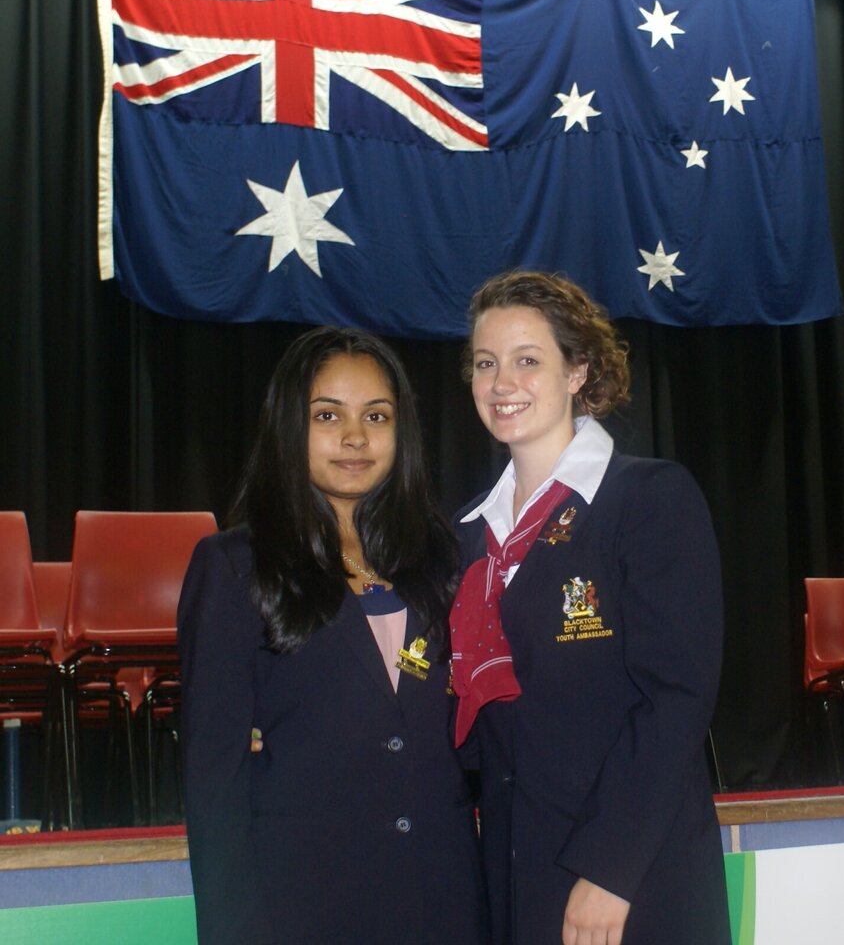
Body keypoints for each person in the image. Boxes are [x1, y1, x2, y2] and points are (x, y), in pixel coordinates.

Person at [178, 327, 489, 945]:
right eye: (328, 415)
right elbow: (215, 781)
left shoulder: (445, 559)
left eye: (377, 415)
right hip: (305, 906)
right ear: (289, 426)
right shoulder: (235, 565)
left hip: (446, 900)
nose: (355, 437)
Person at [450, 272, 730, 945]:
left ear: (578, 370)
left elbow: (676, 697)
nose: (500, 382)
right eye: (485, 364)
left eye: (527, 360)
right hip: (516, 872)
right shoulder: (466, 536)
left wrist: (612, 869)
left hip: (629, 875)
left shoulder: (647, 500)